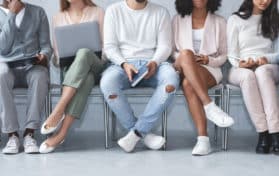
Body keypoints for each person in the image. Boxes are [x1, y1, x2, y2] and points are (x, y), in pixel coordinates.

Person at [100, 0, 180, 153]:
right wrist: (124, 64)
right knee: (107, 83)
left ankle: (135, 133)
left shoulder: (160, 12)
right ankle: (141, 133)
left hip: (153, 63)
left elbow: (165, 46)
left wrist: (155, 62)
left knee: (171, 79)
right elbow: (110, 47)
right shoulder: (113, 11)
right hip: (122, 64)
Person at [39, 0, 105, 154]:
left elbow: (107, 46)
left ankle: (58, 110)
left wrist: (86, 57)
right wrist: (60, 58)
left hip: (95, 64)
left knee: (83, 53)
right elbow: (56, 55)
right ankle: (61, 134)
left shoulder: (98, 12)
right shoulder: (58, 17)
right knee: (85, 79)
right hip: (71, 70)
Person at [172, 0, 234, 156]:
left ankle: (203, 140)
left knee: (188, 84)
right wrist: (188, 60)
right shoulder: (178, 19)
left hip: (210, 68)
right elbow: (172, 51)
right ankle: (209, 106)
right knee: (186, 53)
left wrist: (209, 60)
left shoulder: (220, 22)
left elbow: (224, 54)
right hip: (183, 65)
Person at [227, 0, 279, 154]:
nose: (265, 1)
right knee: (248, 76)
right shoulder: (235, 19)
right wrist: (240, 63)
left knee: (262, 72)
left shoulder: (275, 20)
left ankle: (275, 132)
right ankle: (263, 133)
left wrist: (266, 59)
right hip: (241, 66)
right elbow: (231, 52)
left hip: (268, 66)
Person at [0, 0, 52, 154]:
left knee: (40, 76)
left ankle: (29, 133)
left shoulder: (38, 12)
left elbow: (46, 44)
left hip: (31, 64)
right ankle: (12, 135)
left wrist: (44, 55)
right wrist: (12, 14)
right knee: (0, 74)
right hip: (6, 66)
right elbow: (2, 46)